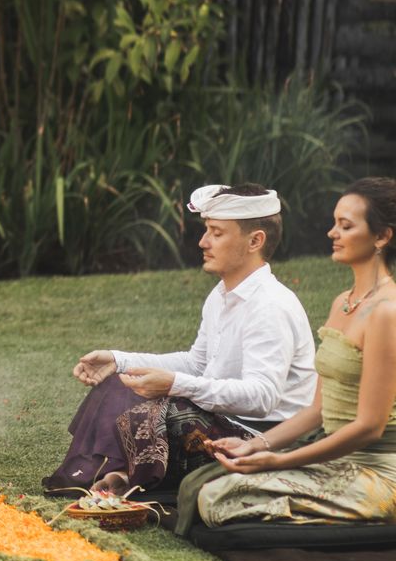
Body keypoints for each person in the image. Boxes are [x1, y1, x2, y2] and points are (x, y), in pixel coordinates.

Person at [44, 183, 316, 495]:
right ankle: (107, 474)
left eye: (216, 232)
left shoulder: (270, 305)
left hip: (262, 437)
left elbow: (261, 397)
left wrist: (175, 385)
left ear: (255, 240)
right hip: (221, 420)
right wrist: (120, 361)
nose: (203, 242)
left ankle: (125, 478)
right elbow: (196, 363)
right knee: (120, 382)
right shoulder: (221, 295)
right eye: (207, 231)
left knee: (163, 411)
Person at [183, 177, 396, 526]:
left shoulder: (387, 312)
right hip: (335, 457)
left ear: (382, 236)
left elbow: (369, 428)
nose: (332, 233)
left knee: (219, 499)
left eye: (345, 226)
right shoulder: (343, 303)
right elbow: (318, 409)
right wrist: (259, 445)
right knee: (209, 488)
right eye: (334, 223)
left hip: (378, 472)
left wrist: (280, 462)